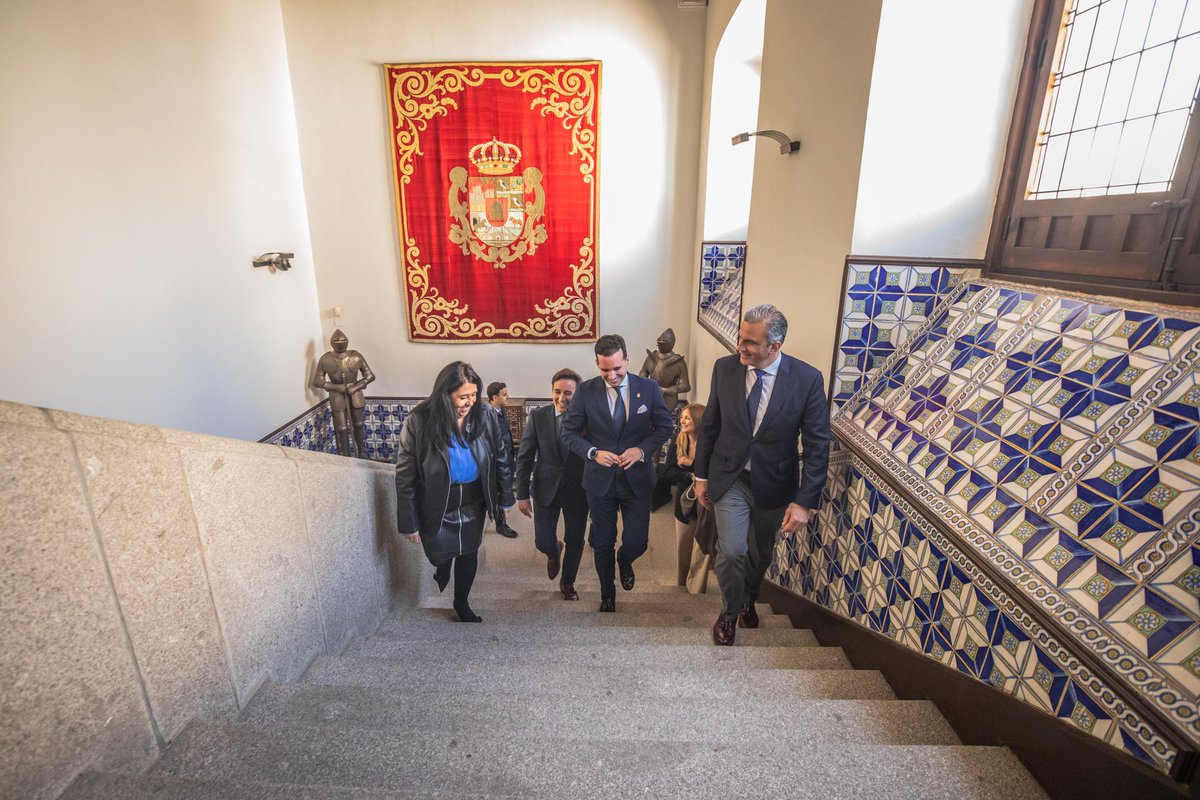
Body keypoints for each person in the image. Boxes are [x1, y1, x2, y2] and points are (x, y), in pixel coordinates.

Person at [694, 304, 830, 646]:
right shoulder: (724, 369)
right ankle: (728, 614)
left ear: (775, 346)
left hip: (774, 482)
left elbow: (817, 445)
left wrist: (804, 502)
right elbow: (710, 424)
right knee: (733, 549)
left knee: (760, 553)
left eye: (750, 342)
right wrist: (700, 477)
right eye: (741, 337)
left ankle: (747, 599)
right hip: (730, 478)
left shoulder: (807, 379)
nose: (740, 346)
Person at [562, 333, 674, 612]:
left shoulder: (648, 388)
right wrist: (593, 453)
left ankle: (625, 560)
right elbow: (569, 432)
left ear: (627, 360)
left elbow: (664, 427)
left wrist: (642, 450)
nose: (611, 376)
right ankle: (607, 591)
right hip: (600, 482)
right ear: (597, 364)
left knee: (637, 542)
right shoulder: (586, 391)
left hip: (637, 479)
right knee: (602, 541)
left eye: (617, 368)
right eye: (604, 369)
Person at [396, 362, 514, 623]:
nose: (469, 402)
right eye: (462, 397)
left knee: (469, 551)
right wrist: (408, 522)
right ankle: (442, 566)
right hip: (438, 499)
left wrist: (506, 497)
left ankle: (461, 602)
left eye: (473, 395)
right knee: (440, 552)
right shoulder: (419, 420)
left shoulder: (484, 414)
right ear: (444, 393)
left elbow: (501, 457)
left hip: (473, 498)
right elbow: (405, 476)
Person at [513, 368, 588, 600]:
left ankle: (568, 583)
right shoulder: (538, 417)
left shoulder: (589, 419)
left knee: (576, 540)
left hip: (579, 490)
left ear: (578, 394)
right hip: (545, 488)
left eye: (568, 393)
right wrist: (522, 494)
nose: (561, 398)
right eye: (557, 392)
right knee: (542, 540)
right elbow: (524, 457)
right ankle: (554, 550)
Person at [657, 403, 706, 587]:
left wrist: (690, 462)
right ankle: (681, 586)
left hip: (705, 504)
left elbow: (713, 470)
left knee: (701, 549)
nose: (682, 421)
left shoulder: (710, 444)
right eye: (682, 417)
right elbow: (667, 472)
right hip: (684, 503)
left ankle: (696, 589)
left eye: (687, 417)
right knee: (683, 547)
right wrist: (688, 474)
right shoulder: (678, 442)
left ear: (699, 419)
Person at [311, 329, 375, 458]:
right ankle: (345, 456)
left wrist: (355, 386)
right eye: (336, 340)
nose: (340, 342)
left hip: (355, 393)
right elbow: (318, 381)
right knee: (341, 428)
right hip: (337, 395)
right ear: (331, 343)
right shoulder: (326, 359)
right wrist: (340, 387)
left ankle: (361, 453)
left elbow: (369, 376)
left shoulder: (356, 356)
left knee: (358, 424)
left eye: (342, 340)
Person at [485, 381, 520, 538]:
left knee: (505, 487)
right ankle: (501, 524)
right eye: (504, 394)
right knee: (499, 490)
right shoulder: (486, 414)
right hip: (496, 461)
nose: (508, 397)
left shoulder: (501, 410)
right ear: (494, 397)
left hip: (507, 456)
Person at [639, 327, 691, 410]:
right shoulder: (652, 357)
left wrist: (664, 390)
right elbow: (643, 372)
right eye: (660, 341)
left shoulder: (678, 362)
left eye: (665, 342)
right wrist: (648, 385)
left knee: (663, 417)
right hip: (650, 395)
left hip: (668, 398)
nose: (662, 343)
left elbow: (685, 386)